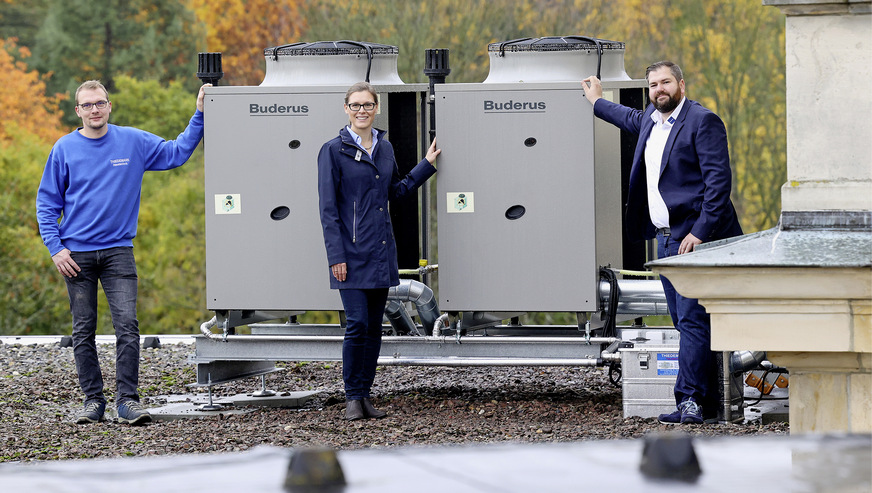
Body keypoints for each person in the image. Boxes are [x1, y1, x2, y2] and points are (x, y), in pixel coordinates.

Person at [36, 80, 208, 425]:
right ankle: (92, 402)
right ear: (78, 111)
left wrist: (200, 114)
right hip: (76, 256)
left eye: (100, 103)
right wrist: (55, 249)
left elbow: (177, 152)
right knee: (82, 330)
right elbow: (46, 203)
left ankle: (127, 400)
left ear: (109, 106)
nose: (95, 110)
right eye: (87, 105)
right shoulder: (64, 148)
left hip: (118, 252)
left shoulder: (132, 141)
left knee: (128, 326)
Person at [582, 61, 743, 424]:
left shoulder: (703, 122)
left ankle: (690, 401)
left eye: (666, 82)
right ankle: (706, 400)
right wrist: (595, 101)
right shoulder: (650, 123)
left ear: (681, 84)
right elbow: (626, 117)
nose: (659, 89)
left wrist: (698, 233)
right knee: (684, 322)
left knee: (692, 321)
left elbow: (719, 186)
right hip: (665, 241)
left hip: (696, 241)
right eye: (653, 84)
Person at [318, 81, 441, 421]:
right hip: (350, 255)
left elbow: (397, 192)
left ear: (377, 108)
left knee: (374, 327)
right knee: (356, 324)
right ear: (346, 109)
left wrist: (425, 166)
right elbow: (328, 210)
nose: (362, 110)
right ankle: (352, 397)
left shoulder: (384, 149)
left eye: (368, 105)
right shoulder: (333, 150)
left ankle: (365, 396)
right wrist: (336, 257)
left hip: (380, 252)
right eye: (356, 105)